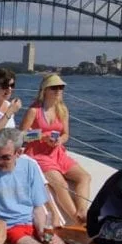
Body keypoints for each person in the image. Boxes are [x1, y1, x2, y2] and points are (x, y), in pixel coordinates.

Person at [20, 74, 91, 224]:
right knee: (61, 185)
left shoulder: (62, 109)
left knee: (84, 177)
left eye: (61, 87)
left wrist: (59, 140)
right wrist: (42, 136)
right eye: (54, 87)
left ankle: (82, 211)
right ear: (45, 90)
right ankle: (77, 220)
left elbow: (66, 134)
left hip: (57, 152)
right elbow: (21, 135)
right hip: (38, 154)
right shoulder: (34, 110)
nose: (59, 90)